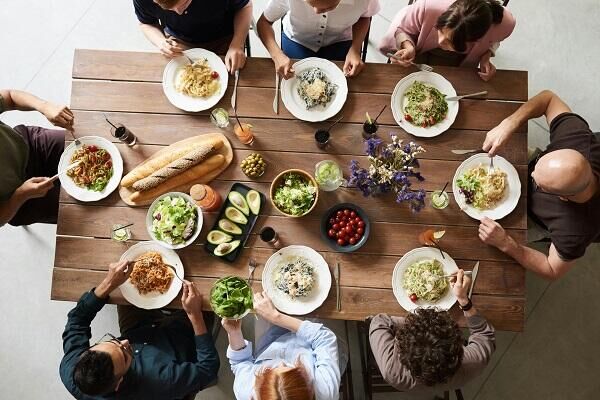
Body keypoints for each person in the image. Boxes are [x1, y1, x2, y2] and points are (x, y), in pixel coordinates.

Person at [479, 90, 600, 280]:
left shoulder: (575, 231)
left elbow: (552, 270)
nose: (530, 174)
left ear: (562, 197)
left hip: (532, 218)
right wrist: (509, 124)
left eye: (538, 182)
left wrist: (506, 243)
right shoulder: (578, 139)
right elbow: (548, 99)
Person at [59, 260, 220, 399]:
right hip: (177, 343)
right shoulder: (162, 381)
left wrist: (108, 283)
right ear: (119, 383)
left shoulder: (71, 370)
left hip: (138, 330)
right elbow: (208, 369)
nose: (125, 342)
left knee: (128, 287)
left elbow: (77, 320)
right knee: (207, 296)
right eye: (124, 355)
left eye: (113, 342)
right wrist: (195, 315)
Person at [369, 270, 495, 391]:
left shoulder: (391, 372)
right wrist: (463, 300)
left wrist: (409, 326)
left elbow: (378, 322)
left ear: (401, 349)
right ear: (458, 344)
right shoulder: (474, 362)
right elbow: (484, 334)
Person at [223, 291, 343, 399]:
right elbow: (324, 338)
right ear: (309, 388)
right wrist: (276, 317)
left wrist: (234, 333)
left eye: (269, 370)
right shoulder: (326, 392)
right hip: (312, 343)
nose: (280, 362)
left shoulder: (245, 392)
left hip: (270, 340)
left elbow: (240, 363)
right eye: (289, 367)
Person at [378, 0, 515, 81]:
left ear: (475, 40)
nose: (440, 41)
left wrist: (486, 56)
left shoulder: (505, 24)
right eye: (440, 30)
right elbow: (404, 29)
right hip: (418, 42)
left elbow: (495, 41)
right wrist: (407, 46)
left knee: (452, 82)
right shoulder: (429, 6)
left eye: (450, 42)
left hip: (458, 60)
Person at [0, 89, 74, 227]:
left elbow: (10, 97)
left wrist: (44, 106)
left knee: (89, 147)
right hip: (19, 199)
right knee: (84, 210)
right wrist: (21, 195)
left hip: (31, 145)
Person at [256, 0, 380, 79]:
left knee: (346, 85)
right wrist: (277, 55)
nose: (316, 11)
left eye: (328, 7)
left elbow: (365, 17)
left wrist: (355, 48)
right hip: (297, 39)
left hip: (340, 40)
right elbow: (264, 22)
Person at [133, 0, 253, 73]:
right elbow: (146, 23)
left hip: (224, 38)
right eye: (169, 9)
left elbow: (245, 6)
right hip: (179, 42)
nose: (179, 12)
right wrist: (161, 42)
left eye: (184, 3)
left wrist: (237, 44)